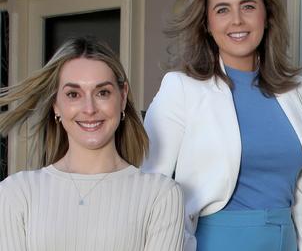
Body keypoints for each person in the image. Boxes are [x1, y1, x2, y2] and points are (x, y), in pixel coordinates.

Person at [142, 0, 302, 251]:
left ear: (266, 15)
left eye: (248, 6)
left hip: (286, 241)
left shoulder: (295, 90)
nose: (237, 20)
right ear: (207, 24)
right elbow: (150, 186)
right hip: (215, 243)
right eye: (222, 10)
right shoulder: (181, 88)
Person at [0, 37, 184, 250]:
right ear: (56, 105)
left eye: (102, 92)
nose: (89, 109)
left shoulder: (161, 195)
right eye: (73, 94)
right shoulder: (15, 193)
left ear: (122, 97)